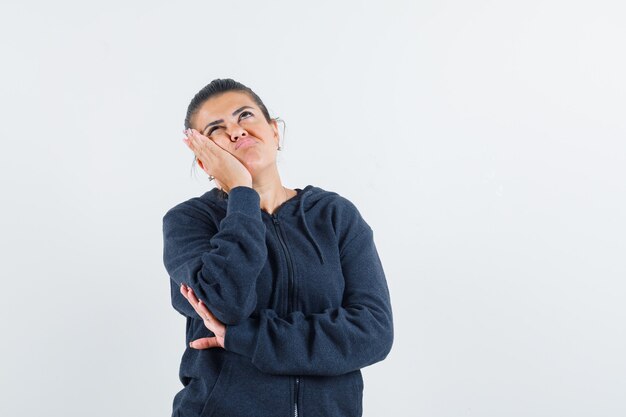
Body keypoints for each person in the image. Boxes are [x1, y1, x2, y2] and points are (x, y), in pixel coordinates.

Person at [162, 78, 394, 417]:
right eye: (216, 129)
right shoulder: (189, 222)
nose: (236, 131)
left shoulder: (334, 215)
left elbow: (373, 332)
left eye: (245, 115)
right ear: (204, 161)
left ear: (274, 132)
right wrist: (242, 193)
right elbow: (226, 303)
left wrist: (247, 337)